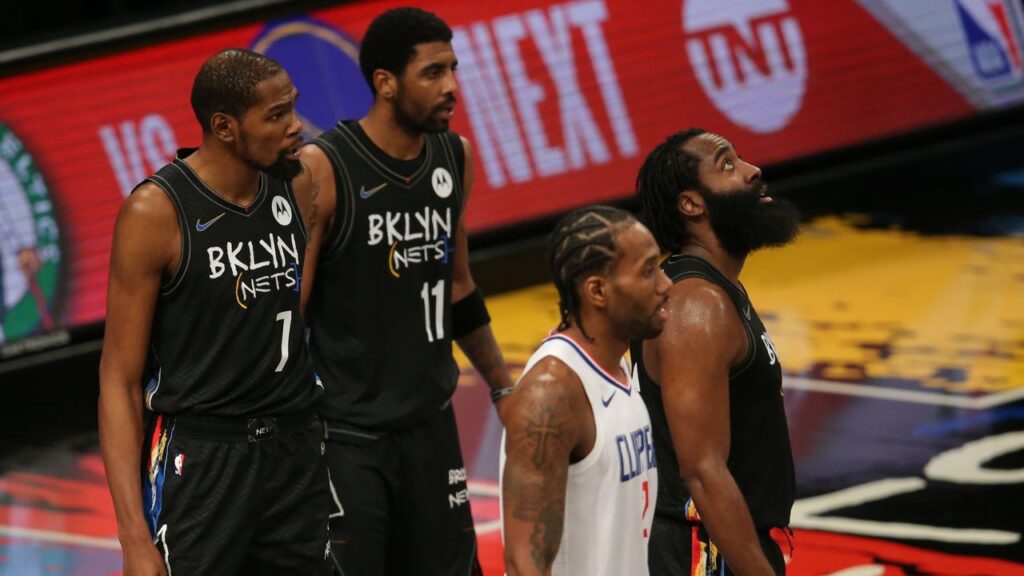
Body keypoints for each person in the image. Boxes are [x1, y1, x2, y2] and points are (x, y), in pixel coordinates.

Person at [298, 7, 514, 575]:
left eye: (454, 70)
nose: (452, 88)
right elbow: (289, 310)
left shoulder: (453, 156)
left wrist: (502, 388)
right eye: (434, 73)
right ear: (386, 84)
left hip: (430, 425)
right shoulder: (324, 169)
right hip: (346, 436)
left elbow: (459, 285)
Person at [98, 49, 329, 576]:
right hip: (203, 459)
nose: (294, 126)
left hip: (296, 449)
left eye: (292, 108)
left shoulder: (297, 184)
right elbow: (118, 379)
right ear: (224, 127)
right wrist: (134, 539)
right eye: (275, 116)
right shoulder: (156, 212)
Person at [632, 128, 800, 575]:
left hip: (723, 543)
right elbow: (702, 470)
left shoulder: (714, 289)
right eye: (727, 164)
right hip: (702, 553)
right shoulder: (696, 306)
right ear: (692, 204)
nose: (752, 171)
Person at [501, 205, 671, 576]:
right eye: (647, 271)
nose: (665, 284)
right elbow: (524, 565)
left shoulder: (619, 366)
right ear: (597, 291)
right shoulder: (551, 394)